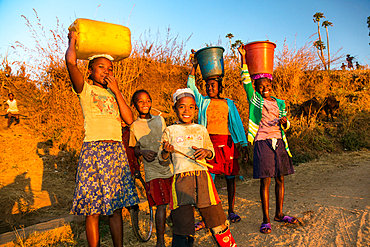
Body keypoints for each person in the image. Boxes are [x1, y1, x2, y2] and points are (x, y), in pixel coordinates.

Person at [65, 31, 139, 247]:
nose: (106, 72)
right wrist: (72, 40)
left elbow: (129, 119)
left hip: (115, 152)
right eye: (101, 67)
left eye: (110, 69)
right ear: (90, 71)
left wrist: (117, 91)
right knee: (93, 210)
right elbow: (70, 62)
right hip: (94, 152)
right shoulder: (85, 90)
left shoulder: (114, 94)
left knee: (116, 208)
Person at [159, 88, 237, 247]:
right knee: (183, 225)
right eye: (181, 106)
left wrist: (207, 152)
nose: (186, 110)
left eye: (191, 107)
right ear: (175, 109)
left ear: (196, 109)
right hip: (181, 181)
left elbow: (211, 151)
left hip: (203, 179)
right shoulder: (169, 131)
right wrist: (166, 152)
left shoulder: (201, 129)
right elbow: (162, 159)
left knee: (216, 219)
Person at [238, 45, 298, 234]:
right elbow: (246, 81)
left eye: (267, 85)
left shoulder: (280, 103)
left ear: (272, 86)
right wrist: (243, 59)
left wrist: (285, 121)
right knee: (266, 181)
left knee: (280, 178)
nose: (265, 88)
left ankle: (279, 214)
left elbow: (287, 126)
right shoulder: (255, 100)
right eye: (261, 86)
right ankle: (265, 219)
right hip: (262, 142)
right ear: (256, 88)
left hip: (279, 142)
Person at [187, 52, 248, 226]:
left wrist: (243, 146)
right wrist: (195, 64)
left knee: (230, 177)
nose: (209, 88)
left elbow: (236, 125)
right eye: (207, 86)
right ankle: (211, 214)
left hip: (228, 143)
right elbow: (191, 86)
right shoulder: (203, 102)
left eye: (213, 85)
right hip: (209, 143)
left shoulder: (228, 103)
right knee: (209, 180)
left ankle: (231, 210)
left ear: (220, 87)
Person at [129, 89, 173, 247]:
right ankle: (160, 241)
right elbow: (134, 148)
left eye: (147, 100)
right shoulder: (134, 126)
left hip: (168, 165)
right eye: (140, 101)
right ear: (134, 105)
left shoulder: (160, 120)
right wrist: (142, 152)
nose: (145, 104)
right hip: (152, 170)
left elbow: (166, 139)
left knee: (173, 201)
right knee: (160, 205)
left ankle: (172, 221)